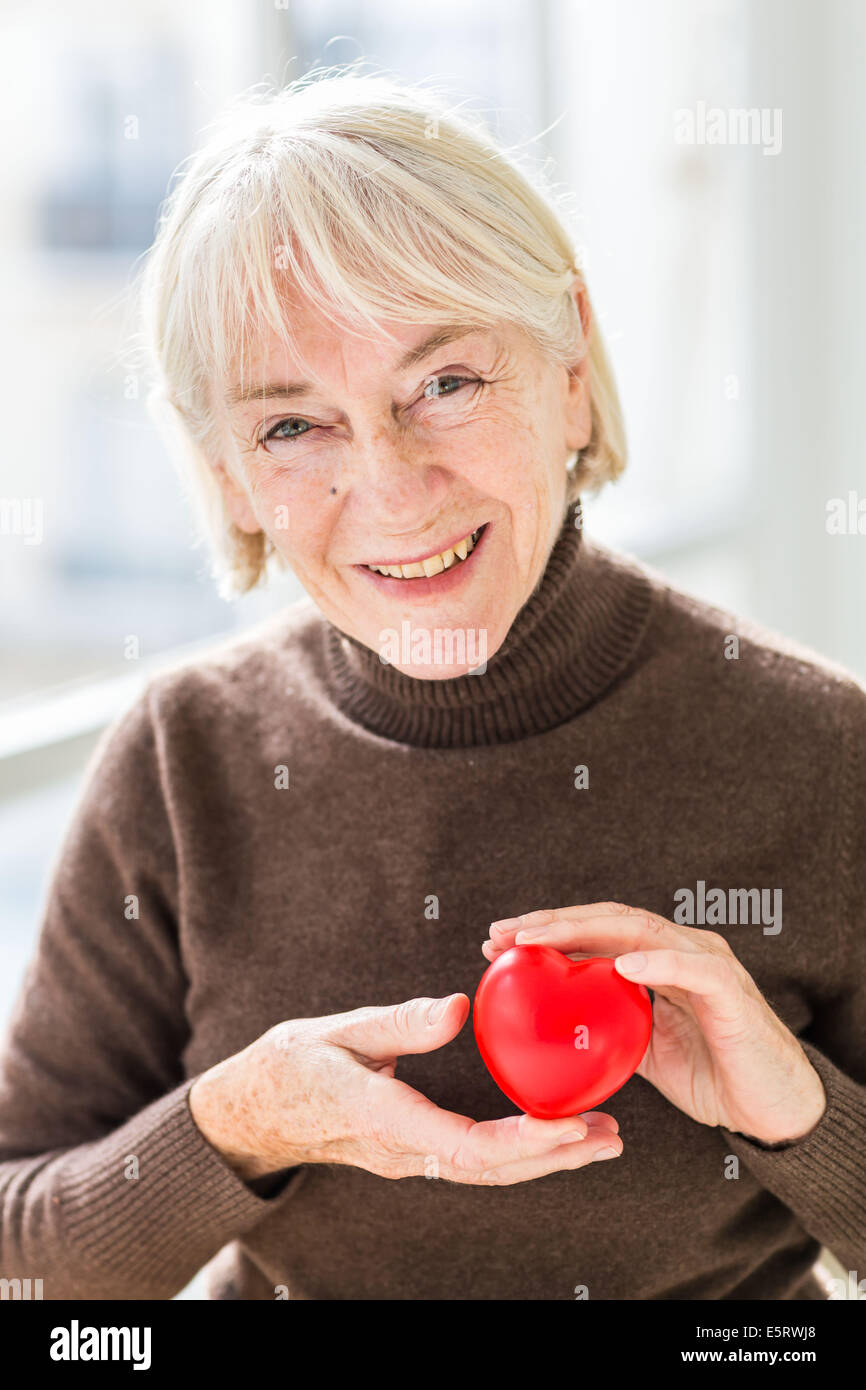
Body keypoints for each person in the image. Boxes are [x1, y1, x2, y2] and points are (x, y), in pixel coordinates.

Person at [1, 67, 864, 1301]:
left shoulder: (821, 749)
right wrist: (234, 1126)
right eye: (292, 427)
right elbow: (23, 1266)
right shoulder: (178, 758)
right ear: (230, 474)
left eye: (445, 384)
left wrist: (801, 1116)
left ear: (568, 370)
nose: (393, 490)